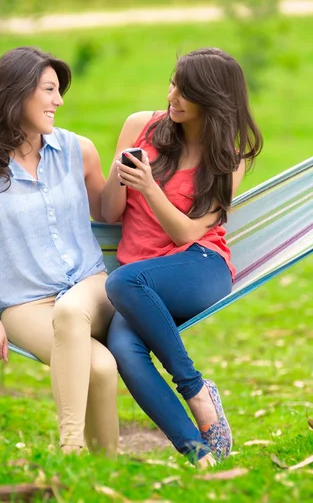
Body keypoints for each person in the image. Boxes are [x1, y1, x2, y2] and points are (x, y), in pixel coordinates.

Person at [0, 46, 119, 457]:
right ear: (16, 94)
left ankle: (70, 447)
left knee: (70, 311)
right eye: (49, 90)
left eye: (59, 91)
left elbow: (110, 212)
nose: (58, 101)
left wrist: (139, 166)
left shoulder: (80, 151)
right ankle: (105, 470)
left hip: (90, 286)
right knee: (101, 366)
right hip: (24, 305)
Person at [101, 48, 263, 468]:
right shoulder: (141, 126)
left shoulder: (228, 157)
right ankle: (200, 455)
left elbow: (188, 232)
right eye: (172, 82)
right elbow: (108, 213)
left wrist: (150, 187)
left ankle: (195, 390)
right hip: (142, 277)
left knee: (120, 282)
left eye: (185, 90)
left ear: (211, 99)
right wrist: (120, 176)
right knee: (123, 348)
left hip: (200, 266)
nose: (172, 95)